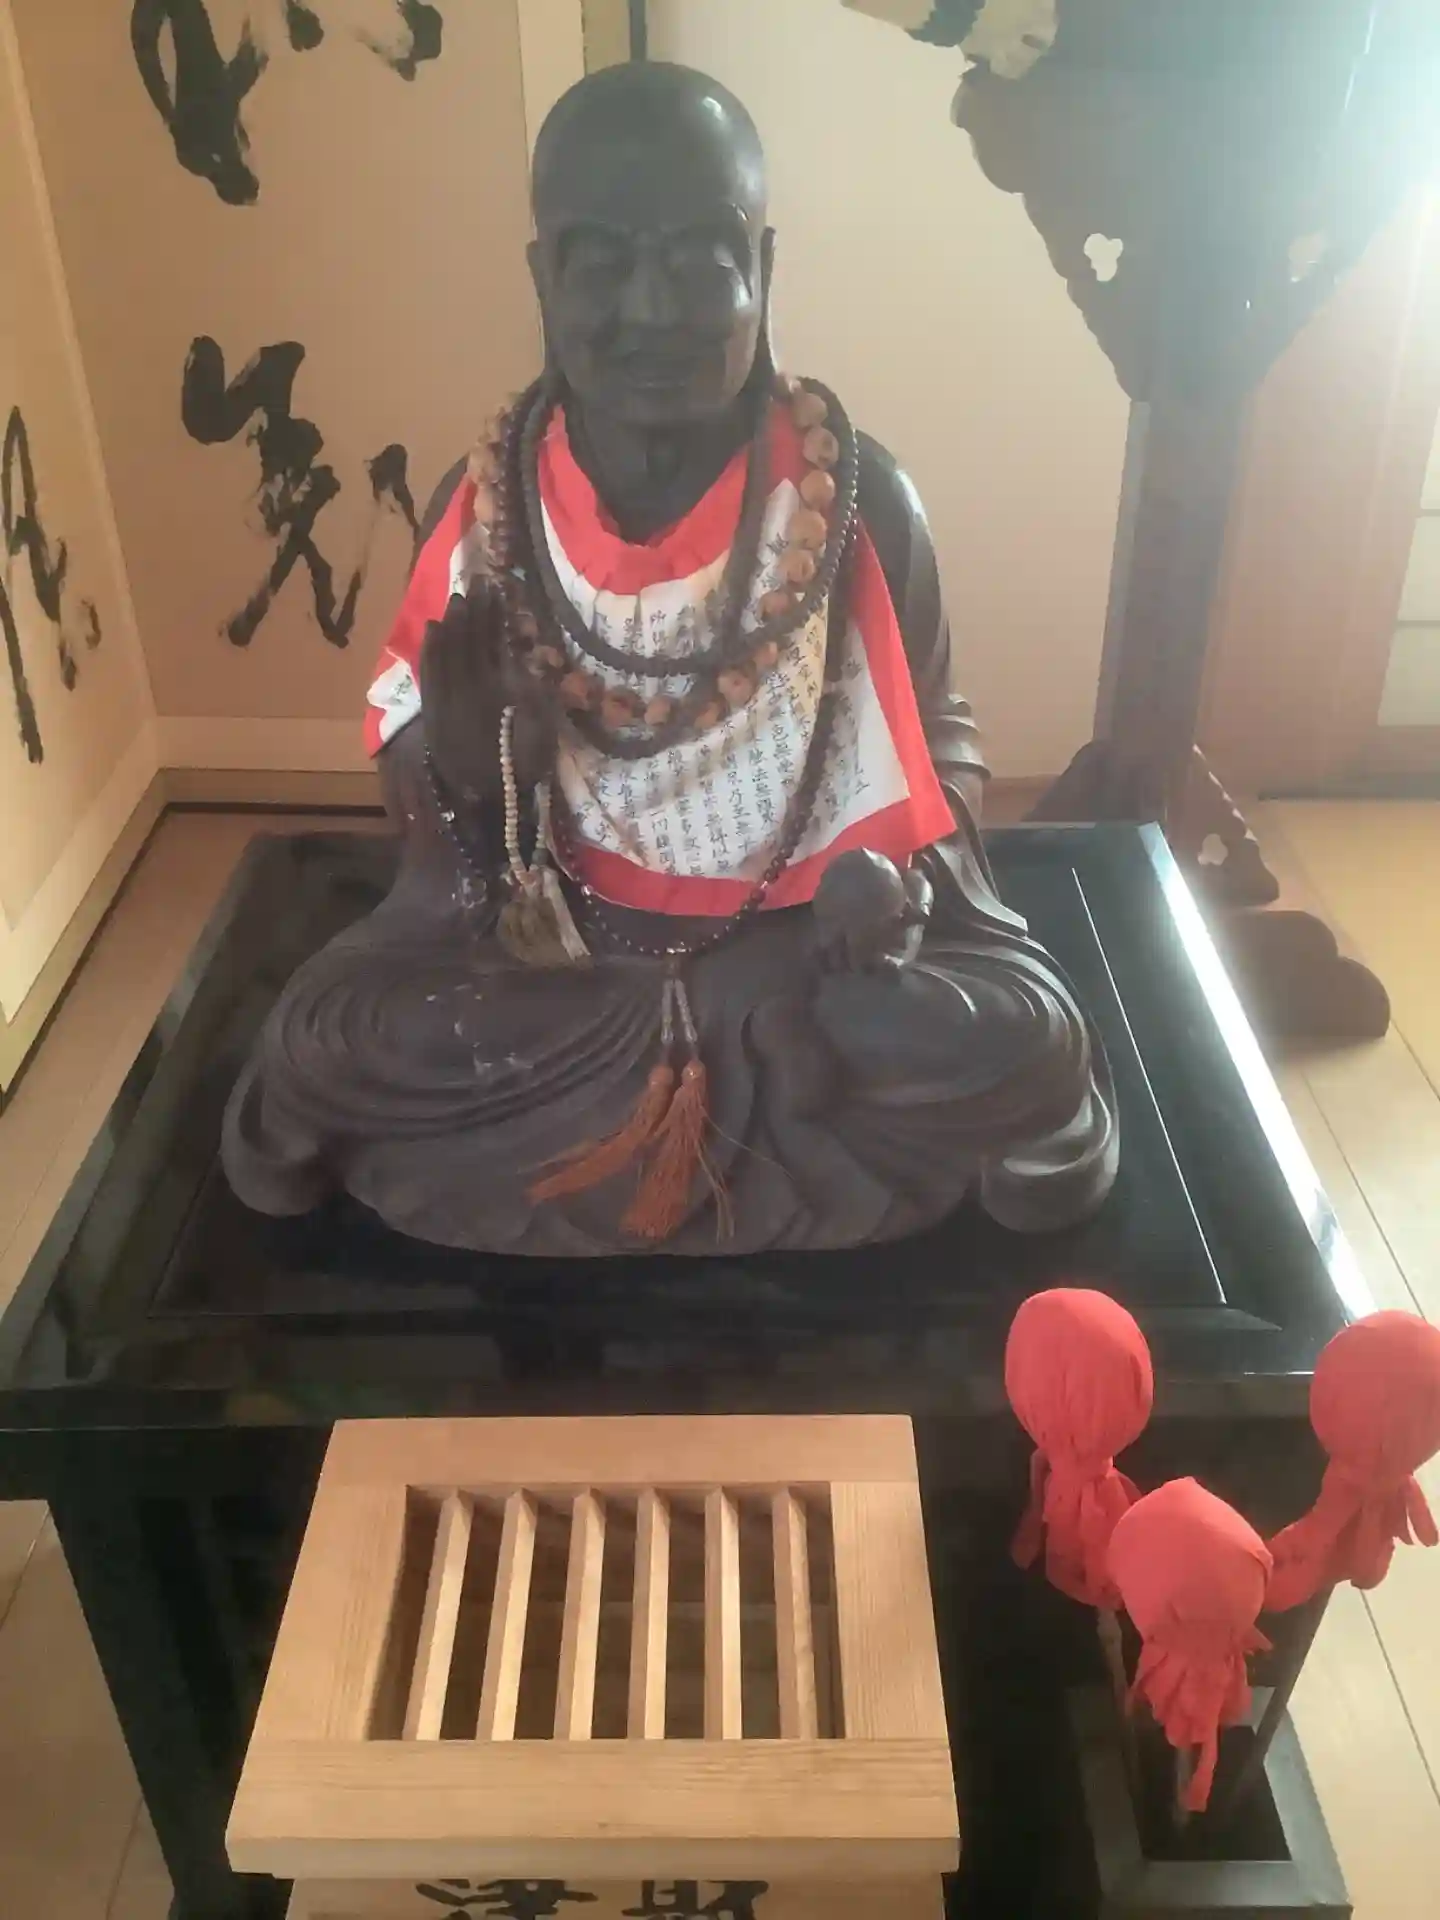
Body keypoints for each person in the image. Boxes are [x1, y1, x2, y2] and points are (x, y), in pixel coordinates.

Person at [222, 61, 1117, 1256]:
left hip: (801, 950)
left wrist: (894, 881)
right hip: (560, 959)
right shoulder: (488, 516)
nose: (650, 309)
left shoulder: (856, 498)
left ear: (763, 266)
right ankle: (759, 1088)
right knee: (327, 1040)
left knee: (1023, 1039)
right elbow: (440, 843)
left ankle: (753, 1063)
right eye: (600, 262)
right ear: (543, 277)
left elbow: (938, 736)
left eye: (699, 257)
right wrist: (476, 773)